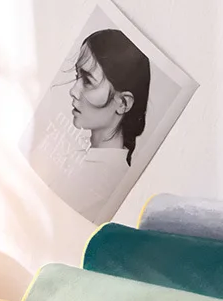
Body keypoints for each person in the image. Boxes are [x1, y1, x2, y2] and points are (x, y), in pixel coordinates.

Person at [47, 29, 151, 221]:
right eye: (77, 76)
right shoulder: (83, 159)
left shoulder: (109, 179)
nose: (73, 91)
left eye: (88, 80)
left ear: (123, 103)